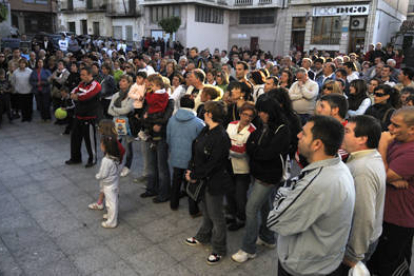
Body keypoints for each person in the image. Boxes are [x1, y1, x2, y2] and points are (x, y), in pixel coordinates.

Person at [267, 115, 355, 276]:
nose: (298, 136)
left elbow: (275, 221)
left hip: (304, 268)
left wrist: (284, 192)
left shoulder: (316, 185)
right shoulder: (338, 166)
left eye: (304, 133)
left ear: (317, 144)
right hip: (324, 262)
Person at [232, 96, 291, 263]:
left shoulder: (282, 128)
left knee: (251, 209)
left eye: (263, 112)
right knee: (265, 206)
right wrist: (255, 149)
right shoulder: (264, 124)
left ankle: (248, 249)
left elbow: (268, 153)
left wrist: (254, 150)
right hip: (258, 171)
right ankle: (267, 237)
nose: (261, 115)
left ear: (271, 112)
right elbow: (251, 143)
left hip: (269, 176)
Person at [368, 107, 414, 276]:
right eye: (390, 124)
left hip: (399, 219)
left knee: (392, 266)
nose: (390, 129)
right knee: (379, 262)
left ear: (412, 129)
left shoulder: (411, 152)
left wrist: (382, 143)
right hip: (386, 214)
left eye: (396, 126)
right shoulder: (397, 141)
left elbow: (382, 174)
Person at [185, 101, 232, 264]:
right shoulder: (206, 129)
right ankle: (203, 236)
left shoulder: (221, 136)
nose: (203, 112)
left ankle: (219, 249)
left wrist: (195, 174)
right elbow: (196, 150)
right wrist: (191, 168)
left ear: (210, 115)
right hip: (202, 179)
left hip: (214, 182)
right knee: (206, 210)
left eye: (205, 111)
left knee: (216, 216)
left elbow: (214, 163)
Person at [339, 115, 386, 274]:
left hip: (356, 246)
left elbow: (363, 216)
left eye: (347, 131)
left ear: (362, 139)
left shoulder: (362, 170)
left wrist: (353, 255)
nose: (342, 134)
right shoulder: (367, 157)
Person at [166, 95, 205, 215]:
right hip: (191, 159)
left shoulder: (172, 119)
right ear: (193, 105)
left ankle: (174, 204)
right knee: (191, 182)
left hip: (176, 155)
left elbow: (168, 139)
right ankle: (193, 210)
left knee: (176, 179)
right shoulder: (199, 123)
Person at [225, 102, 256, 231]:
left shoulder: (253, 130)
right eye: (245, 114)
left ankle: (241, 218)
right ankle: (231, 214)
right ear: (240, 114)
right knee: (229, 192)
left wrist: (231, 149)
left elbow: (244, 151)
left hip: (243, 169)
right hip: (229, 165)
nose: (247, 118)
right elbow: (226, 142)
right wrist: (234, 148)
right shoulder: (231, 125)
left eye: (250, 116)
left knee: (240, 195)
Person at [65, 66, 101, 168]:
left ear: (90, 75)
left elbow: (86, 96)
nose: (81, 76)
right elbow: (73, 91)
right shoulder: (82, 83)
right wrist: (76, 95)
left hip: (89, 117)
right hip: (78, 115)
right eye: (81, 74)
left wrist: (77, 96)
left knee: (89, 140)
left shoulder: (96, 85)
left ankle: (92, 159)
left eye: (83, 75)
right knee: (75, 138)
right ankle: (75, 158)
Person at [108, 74, 134, 177]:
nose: (120, 83)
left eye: (123, 81)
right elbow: (110, 110)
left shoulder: (131, 95)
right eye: (120, 81)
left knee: (128, 146)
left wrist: (116, 110)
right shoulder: (116, 95)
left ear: (129, 83)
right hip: (116, 123)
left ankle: (127, 166)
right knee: (116, 145)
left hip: (127, 124)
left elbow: (127, 110)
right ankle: (115, 165)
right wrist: (119, 112)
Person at [95, 135, 121, 229]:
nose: (100, 146)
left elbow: (103, 174)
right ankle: (111, 216)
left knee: (111, 203)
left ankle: (112, 221)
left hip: (108, 184)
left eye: (101, 144)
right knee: (113, 201)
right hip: (114, 182)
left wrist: (98, 176)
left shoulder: (106, 160)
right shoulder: (115, 157)